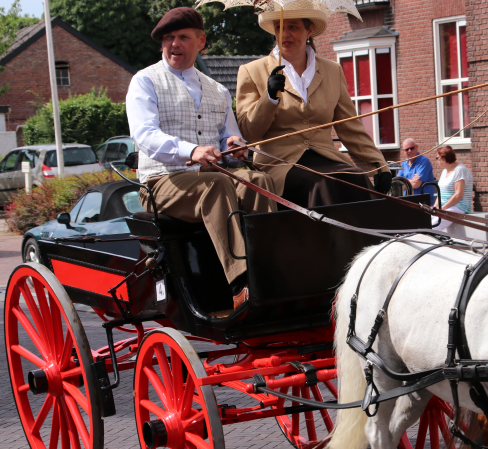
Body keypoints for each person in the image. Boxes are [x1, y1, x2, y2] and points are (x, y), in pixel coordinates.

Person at [126, 6, 277, 309]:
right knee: (215, 187)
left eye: (183, 37)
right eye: (168, 38)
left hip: (212, 177)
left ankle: (272, 268)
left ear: (201, 41)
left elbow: (228, 140)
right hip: (161, 181)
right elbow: (145, 135)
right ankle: (242, 283)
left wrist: (235, 146)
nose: (174, 44)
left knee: (259, 180)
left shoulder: (218, 90)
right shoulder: (145, 81)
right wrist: (191, 151)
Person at [235, 2, 393, 208]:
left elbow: (350, 127)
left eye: (293, 27)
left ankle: (367, 240)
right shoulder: (251, 71)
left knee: (357, 179)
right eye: (279, 28)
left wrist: (378, 164)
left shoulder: (332, 70)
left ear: (309, 30)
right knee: (321, 184)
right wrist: (270, 97)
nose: (285, 34)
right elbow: (249, 132)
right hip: (280, 163)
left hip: (326, 158)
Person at [432, 145, 473, 230]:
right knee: (424, 221)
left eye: (437, 157)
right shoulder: (444, 171)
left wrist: (442, 209)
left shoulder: (459, 170)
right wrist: (435, 208)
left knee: (432, 226)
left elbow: (458, 195)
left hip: (459, 207)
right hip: (445, 207)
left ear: (443, 159)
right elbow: (441, 193)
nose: (436, 160)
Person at [397, 138, 435, 204]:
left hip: (423, 203)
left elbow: (416, 184)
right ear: (403, 151)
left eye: (412, 148)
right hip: (408, 202)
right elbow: (397, 184)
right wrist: (412, 180)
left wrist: (404, 181)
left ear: (417, 147)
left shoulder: (424, 161)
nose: (409, 151)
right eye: (406, 149)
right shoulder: (403, 163)